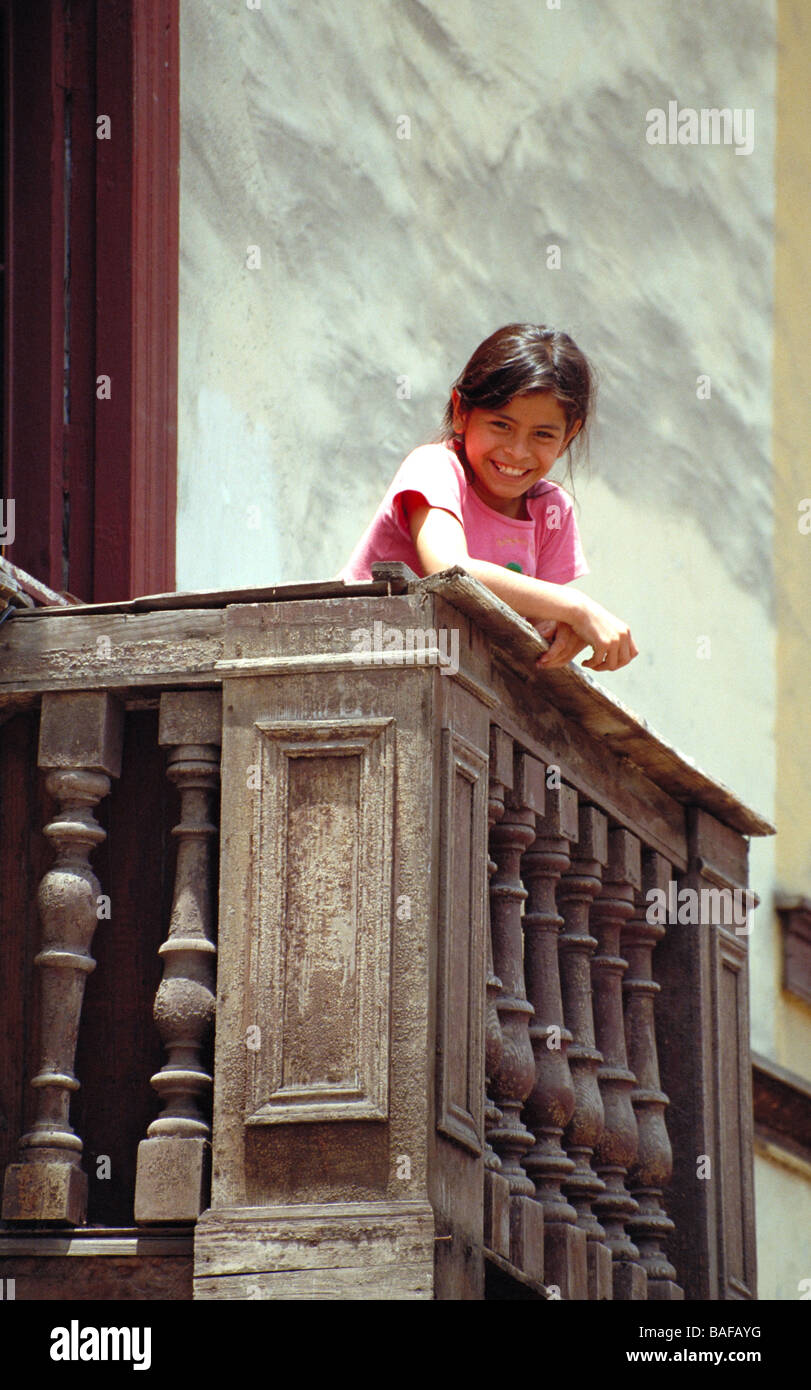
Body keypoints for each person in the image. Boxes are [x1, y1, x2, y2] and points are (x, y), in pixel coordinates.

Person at [336, 323, 638, 672]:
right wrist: (576, 608)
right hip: (362, 653)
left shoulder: (552, 511)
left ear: (569, 434)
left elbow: (537, 625)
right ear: (462, 411)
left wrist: (561, 630)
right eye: (501, 425)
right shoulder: (434, 467)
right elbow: (448, 568)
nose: (517, 451)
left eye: (542, 434)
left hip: (453, 678)